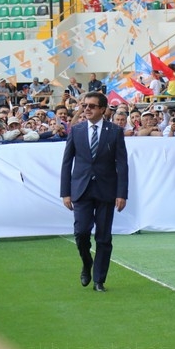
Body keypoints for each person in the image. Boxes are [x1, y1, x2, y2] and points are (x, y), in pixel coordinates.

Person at [60, 92, 128, 293]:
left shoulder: (114, 131)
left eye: (91, 106)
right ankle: (87, 262)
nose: (86, 109)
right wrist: (65, 192)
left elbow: (122, 164)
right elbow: (67, 162)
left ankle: (99, 279)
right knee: (81, 233)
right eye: (84, 105)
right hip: (81, 189)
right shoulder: (77, 130)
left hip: (107, 190)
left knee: (103, 237)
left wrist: (122, 193)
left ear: (102, 109)